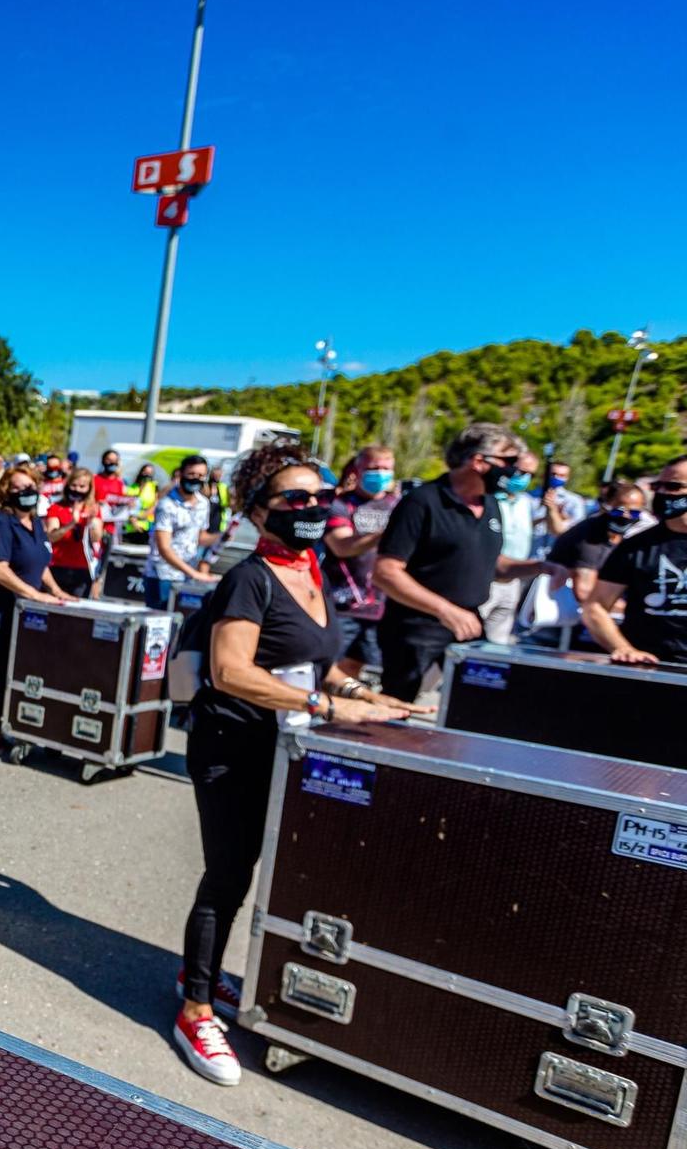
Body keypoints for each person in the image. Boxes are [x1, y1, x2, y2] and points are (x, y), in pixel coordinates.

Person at [172, 441, 423, 1087]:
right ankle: (194, 1008)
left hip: (286, 744)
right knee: (228, 875)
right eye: (295, 498)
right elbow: (230, 671)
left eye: (321, 495)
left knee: (263, 871)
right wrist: (325, 704)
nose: (312, 507)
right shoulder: (249, 578)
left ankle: (198, 973)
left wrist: (364, 695)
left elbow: (318, 660)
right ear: (260, 512)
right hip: (232, 747)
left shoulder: (311, 571)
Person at [373, 423, 542, 700]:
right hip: (417, 628)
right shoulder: (422, 502)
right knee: (398, 705)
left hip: (470, 623)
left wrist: (540, 567)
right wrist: (445, 610)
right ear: (478, 461)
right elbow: (386, 572)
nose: (514, 470)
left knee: (478, 701)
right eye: (509, 462)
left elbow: (492, 564)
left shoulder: (490, 504)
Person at [0, 467, 75, 752]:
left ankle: (1, 724)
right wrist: (35, 595)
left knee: (14, 672)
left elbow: (39, 563)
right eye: (17, 488)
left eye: (30, 487)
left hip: (24, 613)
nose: (25, 493)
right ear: (6, 491)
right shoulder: (0, 524)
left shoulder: (34, 523)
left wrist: (57, 593)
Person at [583, 457, 687, 665]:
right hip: (649, 668)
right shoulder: (636, 545)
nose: (662, 493)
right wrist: (622, 647)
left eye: (673, 486)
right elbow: (595, 607)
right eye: (657, 486)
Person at [322, 445, 399, 681]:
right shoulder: (340, 504)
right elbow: (341, 546)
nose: (380, 473)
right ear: (358, 469)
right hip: (342, 604)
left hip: (382, 606)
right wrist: (386, 533)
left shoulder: (398, 505)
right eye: (374, 468)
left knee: (358, 665)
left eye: (386, 468)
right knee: (329, 668)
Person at [546, 479, 647, 606]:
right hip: (562, 613)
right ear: (606, 506)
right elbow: (584, 593)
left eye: (634, 513)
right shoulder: (590, 536)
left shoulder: (619, 535)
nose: (626, 516)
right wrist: (635, 611)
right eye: (619, 510)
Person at [480, 448, 545, 644]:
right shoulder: (486, 499)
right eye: (520, 471)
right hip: (485, 578)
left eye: (530, 474)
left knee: (497, 640)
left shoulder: (525, 502)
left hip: (512, 580)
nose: (523, 478)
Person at [143, 456, 219, 607]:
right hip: (163, 575)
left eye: (200, 475)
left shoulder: (203, 503)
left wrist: (223, 536)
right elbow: (164, 548)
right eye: (191, 474)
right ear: (181, 474)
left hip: (187, 576)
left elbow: (200, 538)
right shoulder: (167, 505)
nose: (195, 479)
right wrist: (194, 573)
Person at [44, 465, 104, 597]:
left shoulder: (93, 509)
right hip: (57, 566)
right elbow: (51, 536)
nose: (77, 489)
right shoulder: (57, 507)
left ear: (89, 489)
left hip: (81, 568)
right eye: (74, 485)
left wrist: (91, 521)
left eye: (82, 486)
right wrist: (71, 523)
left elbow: (96, 538)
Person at [537, 459, 583, 552]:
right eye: (553, 474)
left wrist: (560, 515)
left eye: (561, 475)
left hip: (555, 553)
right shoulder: (528, 497)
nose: (556, 477)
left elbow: (577, 530)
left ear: (567, 478)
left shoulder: (574, 501)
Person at [121, 462, 161, 545]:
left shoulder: (154, 486)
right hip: (132, 526)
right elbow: (128, 505)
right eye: (145, 472)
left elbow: (156, 504)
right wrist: (133, 519)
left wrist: (143, 515)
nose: (147, 475)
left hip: (148, 526)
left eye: (150, 473)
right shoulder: (133, 487)